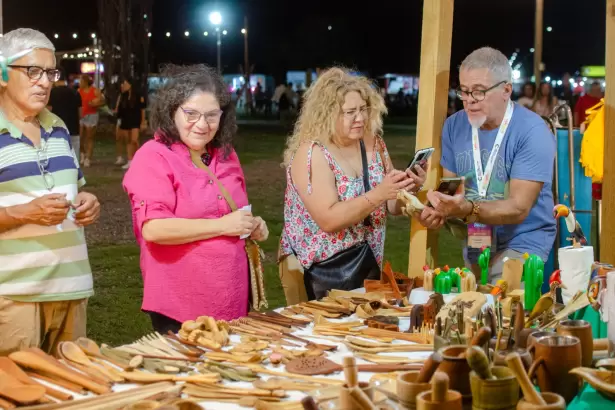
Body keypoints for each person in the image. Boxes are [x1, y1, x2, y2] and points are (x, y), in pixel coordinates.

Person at [123, 64, 269, 333]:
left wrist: (252, 224)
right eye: (191, 113)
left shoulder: (226, 154)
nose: (202, 124)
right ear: (172, 111)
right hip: (180, 306)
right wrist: (223, 226)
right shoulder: (153, 156)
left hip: (234, 298)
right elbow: (154, 228)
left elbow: (231, 213)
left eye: (212, 115)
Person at [278, 67, 426, 303]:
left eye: (363, 109)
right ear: (327, 114)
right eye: (350, 112)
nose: (361, 118)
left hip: (363, 264)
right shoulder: (313, 153)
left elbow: (391, 206)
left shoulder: (374, 143)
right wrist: (379, 194)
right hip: (316, 269)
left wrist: (408, 187)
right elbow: (329, 220)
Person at [416, 47, 556, 282]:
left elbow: (519, 208)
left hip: (523, 240)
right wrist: (438, 210)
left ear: (506, 90)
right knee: (474, 302)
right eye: (464, 91)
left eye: (479, 92)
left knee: (503, 301)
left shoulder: (532, 130)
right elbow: (453, 190)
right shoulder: (454, 126)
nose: (469, 100)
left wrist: (467, 209)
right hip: (476, 237)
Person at [0, 28, 100, 355]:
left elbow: (76, 189)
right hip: (15, 296)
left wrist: (87, 202)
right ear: (2, 74)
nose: (44, 82)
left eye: (50, 73)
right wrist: (24, 213)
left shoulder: (58, 127)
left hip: (73, 288)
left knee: (71, 385)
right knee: (18, 386)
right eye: (33, 71)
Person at [48, 68, 82, 156]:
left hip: (56, 131)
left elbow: (48, 112)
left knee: (58, 156)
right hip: (73, 129)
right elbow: (80, 114)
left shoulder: (51, 93)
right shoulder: (75, 93)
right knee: (74, 155)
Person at [116, 77, 147, 170]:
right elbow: (120, 109)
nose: (124, 85)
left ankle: (138, 158)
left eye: (126, 84)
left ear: (131, 85)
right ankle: (130, 160)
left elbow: (142, 109)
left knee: (134, 140)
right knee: (128, 140)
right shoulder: (123, 95)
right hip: (125, 120)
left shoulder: (138, 96)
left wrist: (143, 121)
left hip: (135, 120)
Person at [78, 74, 103, 167]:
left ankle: (88, 158)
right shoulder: (78, 91)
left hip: (92, 115)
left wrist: (95, 104)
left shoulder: (95, 91)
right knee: (80, 137)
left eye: (81, 81)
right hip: (81, 115)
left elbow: (102, 101)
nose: (80, 83)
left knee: (89, 137)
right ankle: (82, 154)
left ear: (85, 82)